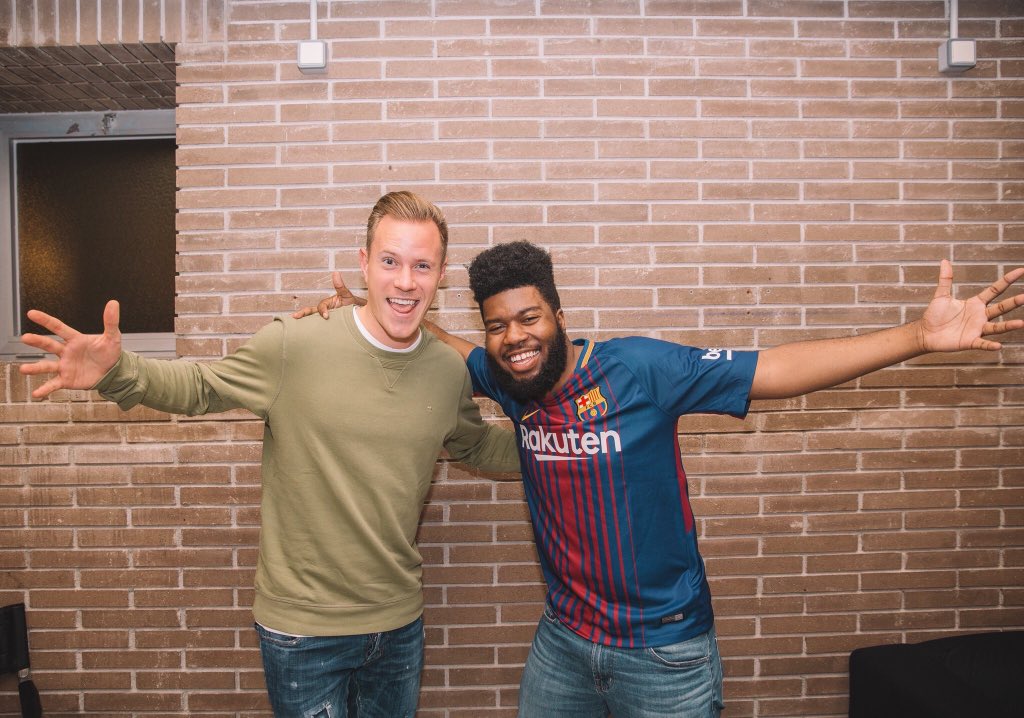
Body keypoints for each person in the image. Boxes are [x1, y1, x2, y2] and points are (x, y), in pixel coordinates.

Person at [299, 242, 1023, 718]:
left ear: (559, 315)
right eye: (498, 326)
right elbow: (440, 342)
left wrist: (916, 338)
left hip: (666, 654)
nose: (515, 336)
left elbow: (775, 369)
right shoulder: (508, 378)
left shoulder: (638, 368)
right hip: (563, 643)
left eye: (529, 318)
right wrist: (365, 313)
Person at [18, 192, 520, 718]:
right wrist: (119, 372)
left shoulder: (445, 370)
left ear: (441, 275)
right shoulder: (295, 344)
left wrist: (559, 446)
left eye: (422, 266)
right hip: (303, 631)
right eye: (390, 261)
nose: (405, 281)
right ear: (364, 263)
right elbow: (201, 386)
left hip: (398, 627)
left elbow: (477, 444)